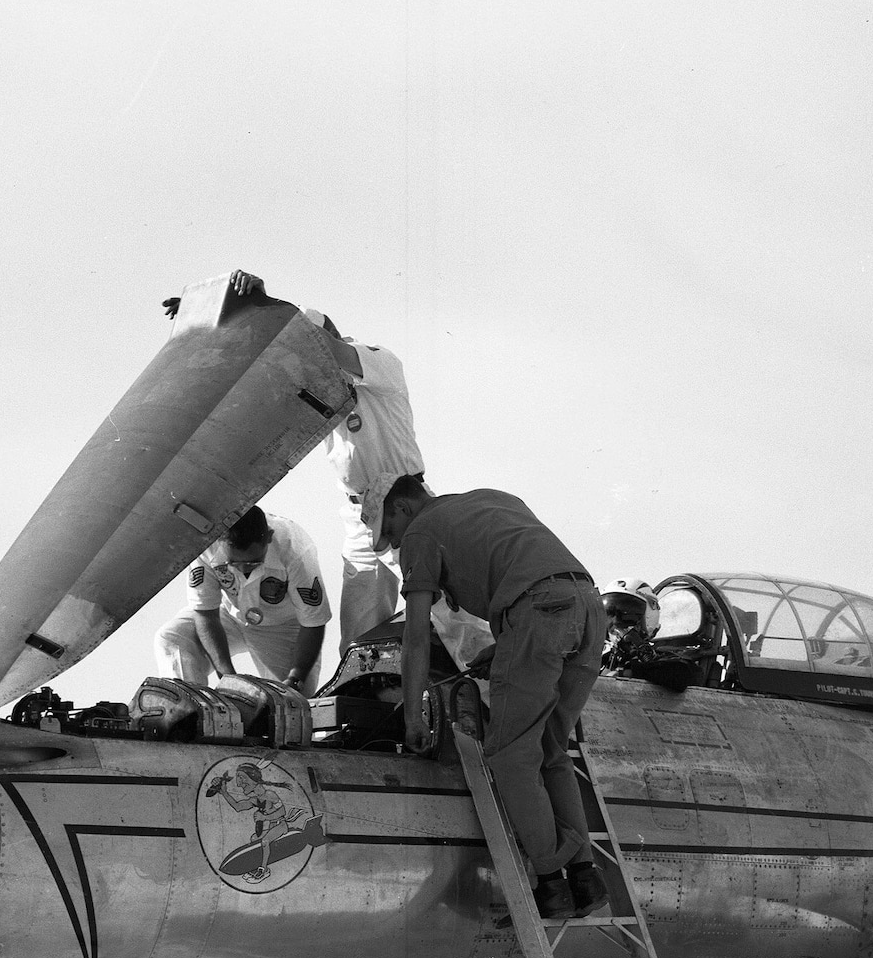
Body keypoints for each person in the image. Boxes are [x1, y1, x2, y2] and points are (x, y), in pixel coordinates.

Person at [381, 476, 609, 920]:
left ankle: (551, 884)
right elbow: (540, 578)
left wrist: (412, 716)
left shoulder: (420, 533)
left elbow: (415, 637)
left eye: (390, 532)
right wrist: (505, 646)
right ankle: (585, 877)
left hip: (538, 616)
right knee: (551, 751)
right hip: (588, 610)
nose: (395, 544)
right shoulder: (493, 499)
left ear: (404, 508)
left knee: (509, 758)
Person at [302, 312, 493, 668]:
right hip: (360, 518)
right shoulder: (320, 390)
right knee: (358, 635)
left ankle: (486, 687)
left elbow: (327, 349)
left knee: (451, 614)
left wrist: (268, 315)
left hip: (404, 508)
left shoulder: (378, 363)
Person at [153, 507, 331, 692]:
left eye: (253, 562)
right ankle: (194, 711)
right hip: (229, 617)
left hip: (284, 627)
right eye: (234, 563)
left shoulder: (295, 549)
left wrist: (296, 677)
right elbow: (206, 614)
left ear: (268, 537)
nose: (244, 569)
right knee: (172, 637)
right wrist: (228, 677)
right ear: (221, 541)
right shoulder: (207, 543)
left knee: (293, 701)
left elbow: (313, 622)